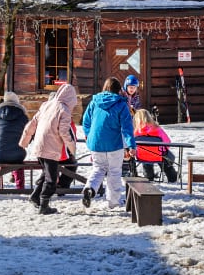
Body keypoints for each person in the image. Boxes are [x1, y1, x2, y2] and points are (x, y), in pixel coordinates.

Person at [19, 83, 78, 215]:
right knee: (51, 179)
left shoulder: (47, 105)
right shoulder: (64, 110)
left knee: (47, 174)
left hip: (40, 146)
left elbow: (32, 123)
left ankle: (35, 197)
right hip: (51, 148)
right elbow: (64, 133)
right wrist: (72, 148)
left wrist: (24, 141)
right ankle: (44, 205)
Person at [81, 77, 136, 211]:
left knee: (98, 169)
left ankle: (90, 188)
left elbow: (86, 121)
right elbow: (127, 127)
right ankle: (114, 202)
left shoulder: (94, 101)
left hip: (96, 143)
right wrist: (131, 146)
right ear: (119, 90)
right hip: (113, 144)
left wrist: (88, 135)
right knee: (114, 172)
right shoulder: (121, 104)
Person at [0, 91, 28, 189]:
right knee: (17, 158)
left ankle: (8, 175)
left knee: (7, 152)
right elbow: (27, 135)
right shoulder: (23, 117)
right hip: (17, 155)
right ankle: (20, 186)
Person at [132, 108, 178, 183]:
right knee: (164, 158)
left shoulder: (136, 132)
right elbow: (167, 142)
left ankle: (149, 176)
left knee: (146, 161)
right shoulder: (157, 129)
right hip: (158, 155)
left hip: (143, 156)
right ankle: (172, 177)